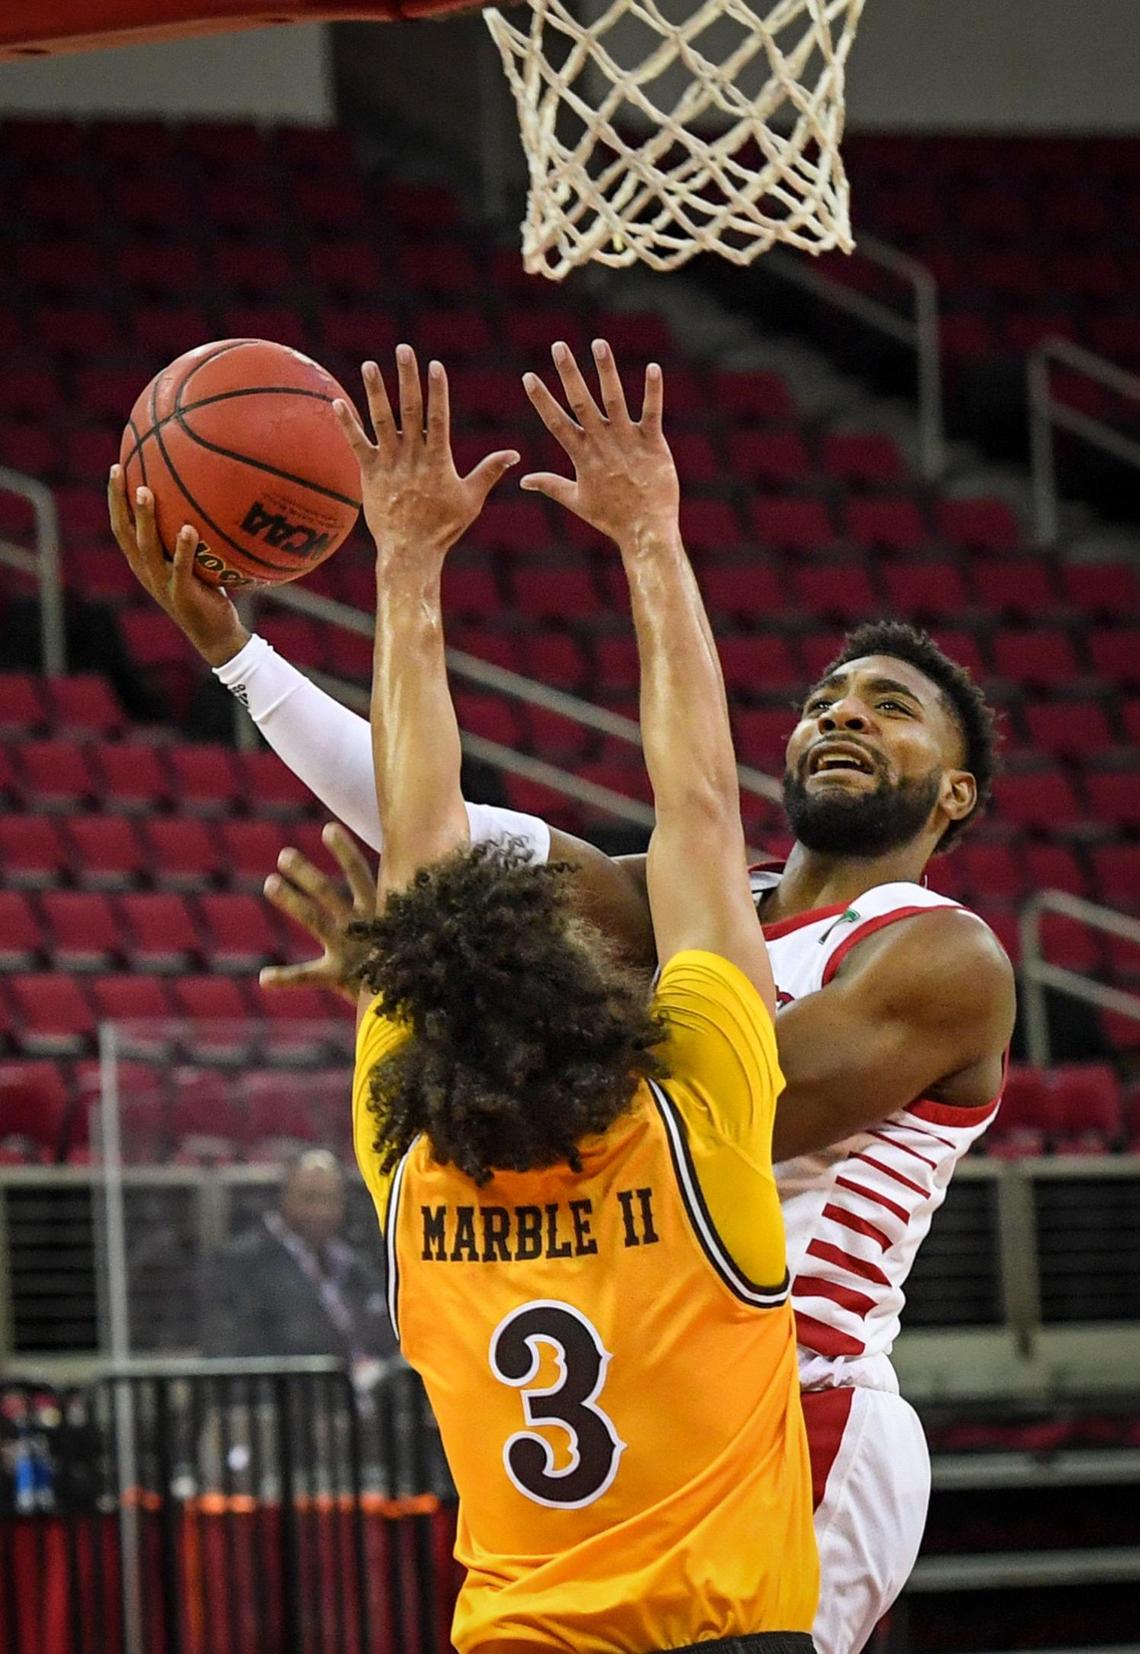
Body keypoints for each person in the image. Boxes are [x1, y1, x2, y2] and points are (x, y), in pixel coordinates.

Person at [109, 352, 1016, 1654]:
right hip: (665, 1338)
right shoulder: (697, 951)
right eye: (827, 694)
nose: (843, 712)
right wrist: (247, 659)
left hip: (801, 1392)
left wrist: (426, 970)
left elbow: (435, 850)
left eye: (892, 705)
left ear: (960, 794)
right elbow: (486, 837)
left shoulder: (945, 953)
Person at [347, 339, 816, 1652]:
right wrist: (652, 538)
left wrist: (404, 564)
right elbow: (703, 813)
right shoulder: (693, 1132)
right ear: (602, 986)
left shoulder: (414, 1157)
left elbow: (416, 832)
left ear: (438, 994)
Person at [200, 1148, 395, 1366]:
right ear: (284, 1197)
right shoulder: (239, 1264)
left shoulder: (355, 1265)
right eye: (310, 1198)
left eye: (331, 1200)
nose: (321, 1211)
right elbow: (231, 1350)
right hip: (291, 1392)